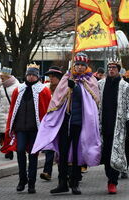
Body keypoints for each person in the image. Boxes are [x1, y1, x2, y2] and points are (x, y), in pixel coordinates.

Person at [32, 52, 101, 195]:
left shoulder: (90, 80)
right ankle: (62, 183)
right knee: (62, 154)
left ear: (86, 66)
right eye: (78, 65)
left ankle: (74, 183)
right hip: (64, 123)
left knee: (77, 154)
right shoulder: (66, 78)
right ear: (74, 64)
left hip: (79, 124)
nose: (80, 68)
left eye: (83, 65)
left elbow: (92, 102)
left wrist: (76, 88)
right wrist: (69, 87)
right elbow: (57, 98)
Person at [1, 63, 51, 194]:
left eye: (33, 75)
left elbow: (46, 110)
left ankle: (32, 183)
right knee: (20, 150)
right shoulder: (19, 89)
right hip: (20, 128)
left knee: (33, 155)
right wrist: (10, 127)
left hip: (35, 129)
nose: (30, 77)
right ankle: (22, 179)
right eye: (28, 74)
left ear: (37, 76)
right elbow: (13, 109)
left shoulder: (43, 90)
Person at [98, 60, 129, 194]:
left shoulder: (124, 85)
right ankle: (109, 176)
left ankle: (113, 181)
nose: (111, 70)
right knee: (106, 154)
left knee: (116, 153)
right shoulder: (100, 84)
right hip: (103, 125)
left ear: (118, 69)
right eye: (109, 67)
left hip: (118, 126)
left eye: (114, 67)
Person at [39, 66, 63, 181]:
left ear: (59, 78)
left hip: (61, 123)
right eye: (50, 76)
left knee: (60, 150)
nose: (51, 79)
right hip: (49, 123)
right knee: (49, 148)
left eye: (53, 77)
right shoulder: (46, 89)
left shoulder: (64, 89)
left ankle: (63, 173)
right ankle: (47, 171)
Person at [0, 67, 19, 160]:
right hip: (2, 114)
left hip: (11, 114)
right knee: (4, 134)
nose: (1, 79)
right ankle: (7, 149)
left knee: (10, 134)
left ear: (8, 77)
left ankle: (10, 150)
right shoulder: (2, 87)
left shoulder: (17, 86)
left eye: (2, 78)